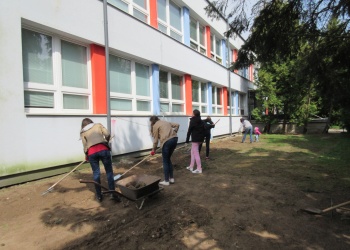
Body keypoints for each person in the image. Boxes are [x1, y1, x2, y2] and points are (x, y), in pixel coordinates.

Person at [80, 118, 120, 202]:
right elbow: (107, 134)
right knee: (109, 171)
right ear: (91, 122)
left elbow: (85, 146)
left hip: (92, 153)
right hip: (103, 150)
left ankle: (99, 195)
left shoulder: (83, 132)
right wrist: (107, 141)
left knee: (96, 173)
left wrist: (86, 155)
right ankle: (112, 193)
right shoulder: (98, 125)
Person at [150, 116, 179, 186]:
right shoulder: (165, 122)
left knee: (165, 160)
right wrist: (175, 131)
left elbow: (156, 140)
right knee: (168, 159)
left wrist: (153, 149)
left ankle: (166, 180)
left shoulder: (155, 126)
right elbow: (177, 125)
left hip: (167, 142)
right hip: (175, 139)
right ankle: (171, 178)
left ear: (152, 122)